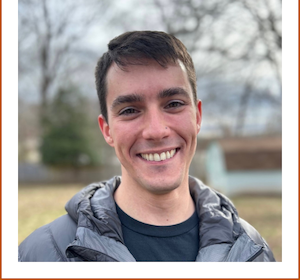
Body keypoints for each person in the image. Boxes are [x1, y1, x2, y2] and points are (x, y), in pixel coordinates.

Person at [18, 31, 275, 262]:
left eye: (173, 104)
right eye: (130, 110)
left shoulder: (252, 253)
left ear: (197, 117)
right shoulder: (40, 256)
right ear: (107, 130)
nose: (155, 130)